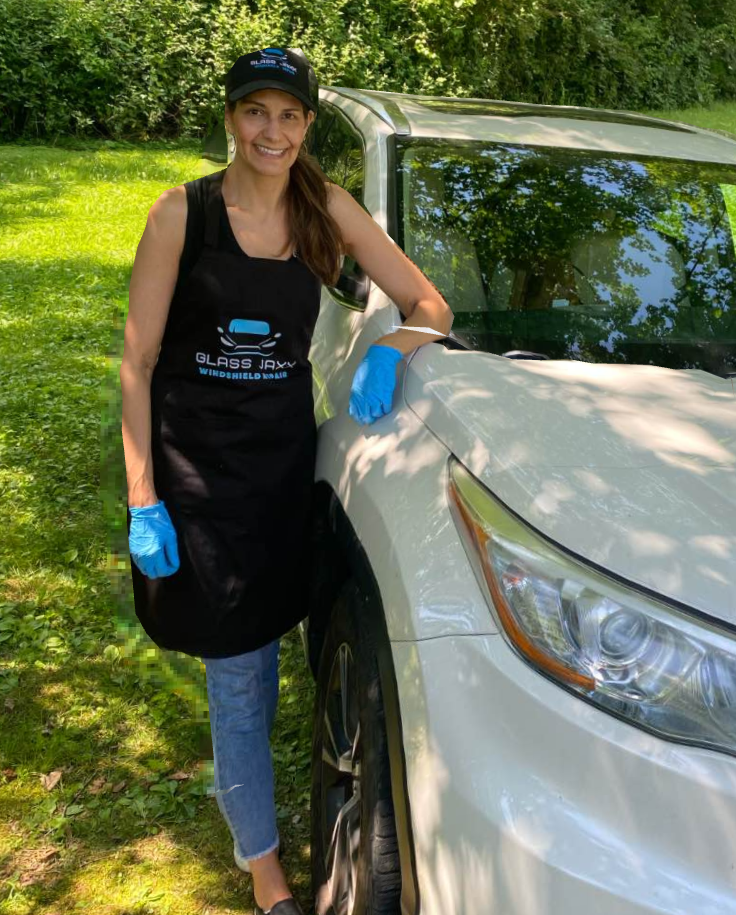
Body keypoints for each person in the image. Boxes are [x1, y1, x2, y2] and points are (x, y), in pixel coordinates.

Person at [120, 47, 453, 915]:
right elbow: (138, 362)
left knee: (266, 650)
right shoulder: (181, 215)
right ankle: (266, 870)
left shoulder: (325, 208)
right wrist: (143, 496)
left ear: (307, 125)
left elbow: (431, 306)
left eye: (290, 115)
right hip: (195, 476)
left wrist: (395, 347)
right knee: (238, 674)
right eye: (256, 111)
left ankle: (251, 791)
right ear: (232, 117)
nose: (273, 131)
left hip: (279, 472)